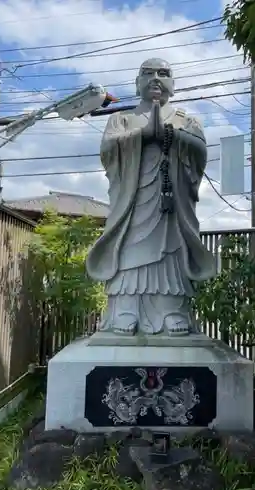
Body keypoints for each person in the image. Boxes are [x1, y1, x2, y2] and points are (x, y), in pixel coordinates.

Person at [86, 57, 216, 336]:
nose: (155, 78)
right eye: (147, 73)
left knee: (171, 252)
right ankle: (125, 310)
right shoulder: (121, 119)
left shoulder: (187, 120)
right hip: (132, 201)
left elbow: (200, 153)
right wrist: (142, 135)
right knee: (129, 249)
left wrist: (173, 135)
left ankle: (172, 311)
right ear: (137, 83)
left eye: (163, 73)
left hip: (171, 203)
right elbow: (108, 151)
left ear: (172, 83)